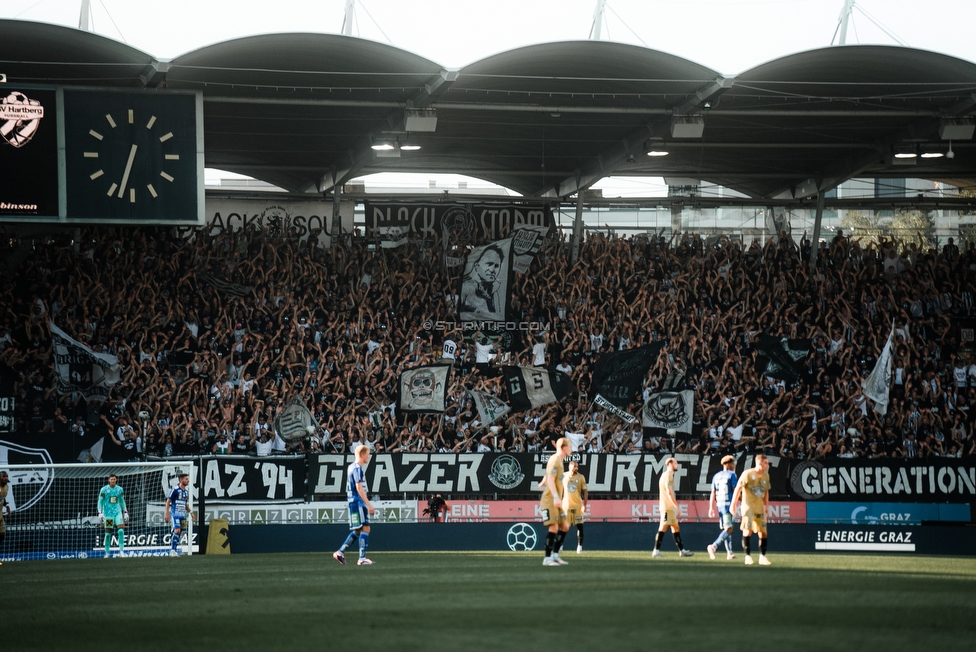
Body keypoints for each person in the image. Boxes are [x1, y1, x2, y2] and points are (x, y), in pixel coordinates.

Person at [333, 444, 376, 566]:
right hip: (358, 502)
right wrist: (369, 504)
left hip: (352, 502)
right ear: (362, 454)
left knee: (358, 530)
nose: (369, 456)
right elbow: (359, 488)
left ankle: (340, 552)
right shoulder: (357, 468)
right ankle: (362, 558)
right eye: (367, 453)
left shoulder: (351, 467)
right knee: (365, 528)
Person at [729, 453, 772, 566]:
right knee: (748, 531)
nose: (767, 465)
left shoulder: (766, 476)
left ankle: (762, 557)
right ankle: (748, 556)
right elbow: (738, 488)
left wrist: (766, 505)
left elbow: (766, 492)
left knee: (763, 533)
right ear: (759, 462)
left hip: (759, 508)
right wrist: (733, 504)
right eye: (766, 463)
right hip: (748, 508)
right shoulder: (748, 473)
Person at [652, 457, 693, 558]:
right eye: (676, 463)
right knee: (663, 527)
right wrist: (676, 506)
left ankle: (682, 550)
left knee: (675, 527)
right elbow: (669, 492)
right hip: (667, 507)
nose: (677, 465)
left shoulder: (664, 475)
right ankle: (656, 551)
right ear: (670, 463)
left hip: (667, 507)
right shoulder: (668, 476)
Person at [540, 436, 572, 566]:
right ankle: (547, 558)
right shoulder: (554, 460)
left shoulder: (559, 461)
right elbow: (551, 479)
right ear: (564, 448)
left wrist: (544, 480)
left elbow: (549, 476)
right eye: (569, 446)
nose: (571, 449)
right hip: (550, 500)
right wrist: (556, 497)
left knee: (564, 526)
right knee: (553, 527)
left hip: (556, 500)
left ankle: (555, 555)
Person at [459, 244, 505, 321]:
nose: (492, 270)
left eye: (496, 266)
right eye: (489, 264)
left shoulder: (497, 291)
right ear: (477, 266)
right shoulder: (467, 285)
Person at [706, 454, 738, 560]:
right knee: (729, 528)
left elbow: (713, 493)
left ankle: (729, 553)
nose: (734, 465)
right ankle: (713, 546)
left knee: (726, 528)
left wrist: (711, 507)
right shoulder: (732, 475)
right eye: (733, 463)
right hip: (728, 504)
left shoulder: (716, 476)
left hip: (720, 505)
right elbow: (735, 490)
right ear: (728, 464)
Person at [97, 474, 128, 557]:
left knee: (121, 531)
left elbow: (122, 501)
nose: (113, 481)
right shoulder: (104, 490)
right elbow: (100, 502)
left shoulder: (120, 489)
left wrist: (125, 512)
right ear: (109, 480)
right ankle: (107, 552)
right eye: (111, 479)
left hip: (117, 513)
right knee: (107, 534)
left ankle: (121, 551)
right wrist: (100, 513)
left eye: (114, 479)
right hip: (108, 515)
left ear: (116, 480)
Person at [164, 472, 192, 557]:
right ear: (181, 480)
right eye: (186, 479)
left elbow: (185, 504)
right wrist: (167, 514)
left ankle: (174, 550)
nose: (188, 480)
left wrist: (191, 513)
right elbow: (168, 501)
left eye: (188, 479)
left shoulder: (186, 492)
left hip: (183, 515)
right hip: (175, 514)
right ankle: (172, 551)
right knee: (177, 531)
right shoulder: (175, 490)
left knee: (179, 533)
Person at [563, 460, 588, 554]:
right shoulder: (563, 476)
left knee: (580, 526)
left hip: (577, 506)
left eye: (577, 466)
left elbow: (585, 491)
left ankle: (579, 546)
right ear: (569, 467)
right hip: (566, 506)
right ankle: (560, 545)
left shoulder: (581, 477)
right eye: (574, 466)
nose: (576, 468)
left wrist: (584, 505)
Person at [0, 471, 10, 564]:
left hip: (0, 514)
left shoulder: (7, 487)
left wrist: (6, 506)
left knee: (2, 535)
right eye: (4, 476)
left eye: (6, 476)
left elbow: (2, 498)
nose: (6, 478)